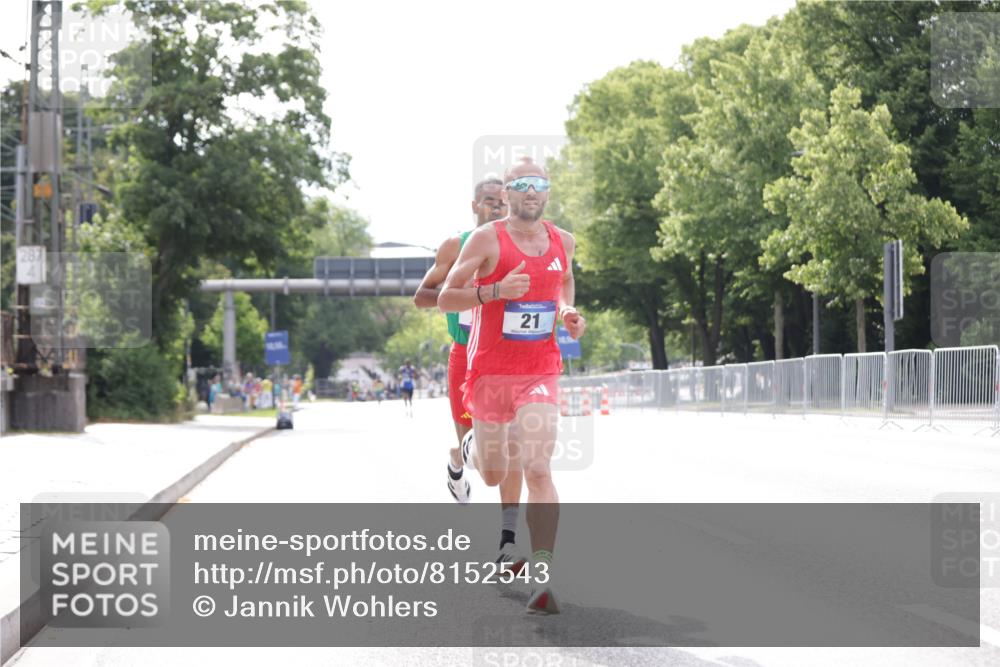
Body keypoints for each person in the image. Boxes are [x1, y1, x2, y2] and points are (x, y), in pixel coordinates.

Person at [439, 157, 586, 615]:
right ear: (506, 193)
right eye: (521, 184)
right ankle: (465, 454)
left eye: (539, 184)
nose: (531, 191)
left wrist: (566, 313)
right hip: (489, 373)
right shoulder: (486, 239)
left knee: (539, 468)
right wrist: (494, 292)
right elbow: (446, 295)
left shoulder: (564, 240)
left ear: (547, 191)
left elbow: (564, 279)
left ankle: (543, 579)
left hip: (540, 368)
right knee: (493, 474)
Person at [414, 177, 526, 572]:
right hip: (467, 356)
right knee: (482, 455)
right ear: (474, 205)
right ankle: (457, 456)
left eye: (502, 203)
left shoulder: (518, 243)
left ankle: (508, 544)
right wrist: (458, 290)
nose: (496, 208)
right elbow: (422, 297)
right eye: (489, 202)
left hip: (508, 356)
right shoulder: (455, 245)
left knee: (512, 449)